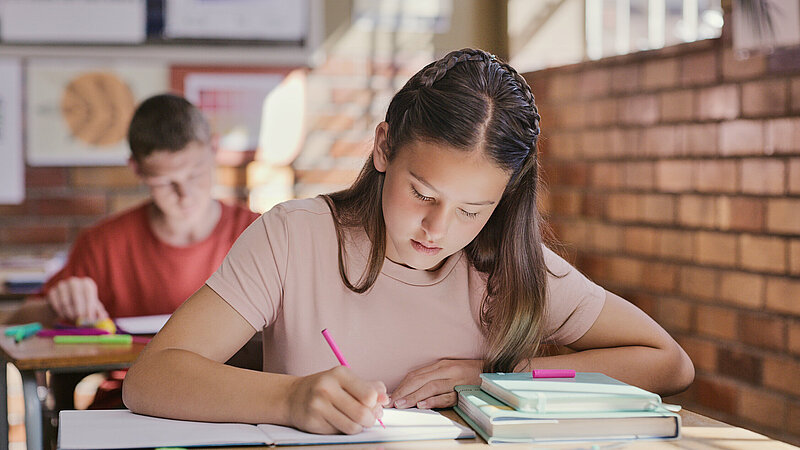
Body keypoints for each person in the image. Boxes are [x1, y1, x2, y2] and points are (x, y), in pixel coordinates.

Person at [123, 49, 694, 434]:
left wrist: (496, 378)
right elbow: (152, 378)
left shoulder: (511, 264)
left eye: (473, 209)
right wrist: (288, 399)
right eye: (422, 194)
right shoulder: (293, 237)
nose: (439, 230)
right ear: (383, 149)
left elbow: (667, 362)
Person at [8, 93, 260, 409]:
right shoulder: (104, 242)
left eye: (195, 174)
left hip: (240, 404)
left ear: (215, 149)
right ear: (137, 169)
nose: (184, 194)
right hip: (132, 406)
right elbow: (17, 323)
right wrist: (58, 307)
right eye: (165, 182)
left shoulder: (260, 235)